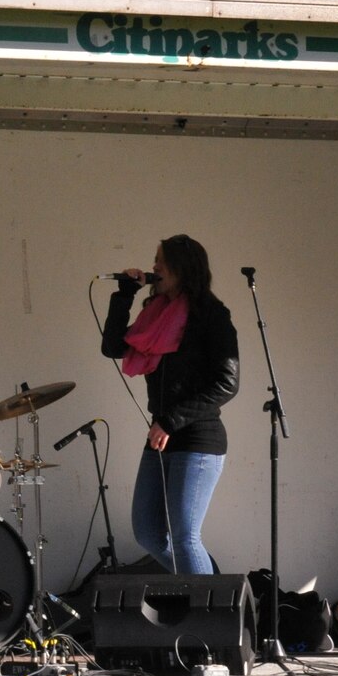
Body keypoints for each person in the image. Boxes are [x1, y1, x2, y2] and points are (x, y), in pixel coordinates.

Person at [100, 234, 239, 575]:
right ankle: (212, 586)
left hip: (198, 438)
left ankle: (211, 616)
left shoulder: (211, 315)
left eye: (160, 261)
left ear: (181, 267)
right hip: (163, 435)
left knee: (185, 538)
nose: (154, 267)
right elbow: (113, 347)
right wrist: (124, 295)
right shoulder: (155, 313)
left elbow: (227, 383)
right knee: (147, 532)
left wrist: (171, 421)